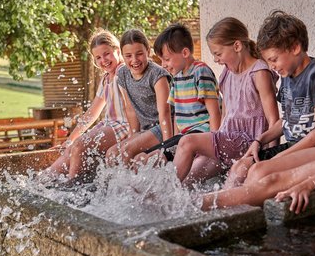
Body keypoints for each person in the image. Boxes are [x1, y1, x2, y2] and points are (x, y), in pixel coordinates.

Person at [201, 5, 315, 214]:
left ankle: (198, 205)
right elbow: (290, 121)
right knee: (258, 170)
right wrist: (260, 141)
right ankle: (215, 212)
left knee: (272, 180)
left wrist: (308, 184)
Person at [223, 11, 315, 189]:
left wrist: (282, 156)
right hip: (292, 147)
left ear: (295, 48)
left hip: (312, 152)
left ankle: (244, 211)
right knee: (239, 168)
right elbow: (287, 120)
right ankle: (227, 211)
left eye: (274, 59)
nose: (272, 67)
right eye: (269, 62)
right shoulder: (287, 76)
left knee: (257, 173)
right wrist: (259, 140)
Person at [172, 17, 279, 187]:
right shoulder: (226, 74)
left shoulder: (259, 72)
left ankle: (166, 190)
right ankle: (166, 201)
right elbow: (225, 116)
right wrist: (210, 142)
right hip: (228, 142)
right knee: (188, 180)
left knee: (187, 142)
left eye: (218, 53)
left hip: (248, 142)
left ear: (237, 46)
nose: (215, 59)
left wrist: (270, 157)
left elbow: (274, 120)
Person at [44, 28, 132, 182]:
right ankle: (43, 179)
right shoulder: (105, 79)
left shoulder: (123, 71)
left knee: (80, 146)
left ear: (117, 50)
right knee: (71, 148)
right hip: (108, 125)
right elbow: (92, 113)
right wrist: (69, 139)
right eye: (98, 57)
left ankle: (72, 186)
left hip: (123, 126)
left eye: (107, 54)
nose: (103, 60)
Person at [134, 23, 221, 165]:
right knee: (142, 157)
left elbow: (215, 113)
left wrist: (214, 145)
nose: (163, 64)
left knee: (157, 157)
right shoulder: (177, 76)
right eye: (161, 60)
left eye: (166, 59)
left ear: (185, 53)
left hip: (201, 134)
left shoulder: (200, 72)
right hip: (183, 136)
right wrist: (171, 142)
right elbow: (177, 116)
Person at [105, 29, 173, 167]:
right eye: (128, 56)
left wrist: (168, 148)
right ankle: (115, 188)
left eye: (139, 54)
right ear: (122, 56)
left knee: (127, 151)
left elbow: (165, 113)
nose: (134, 60)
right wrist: (133, 136)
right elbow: (130, 109)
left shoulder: (157, 75)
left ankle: (129, 187)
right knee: (111, 154)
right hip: (145, 130)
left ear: (148, 51)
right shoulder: (123, 74)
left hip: (163, 127)